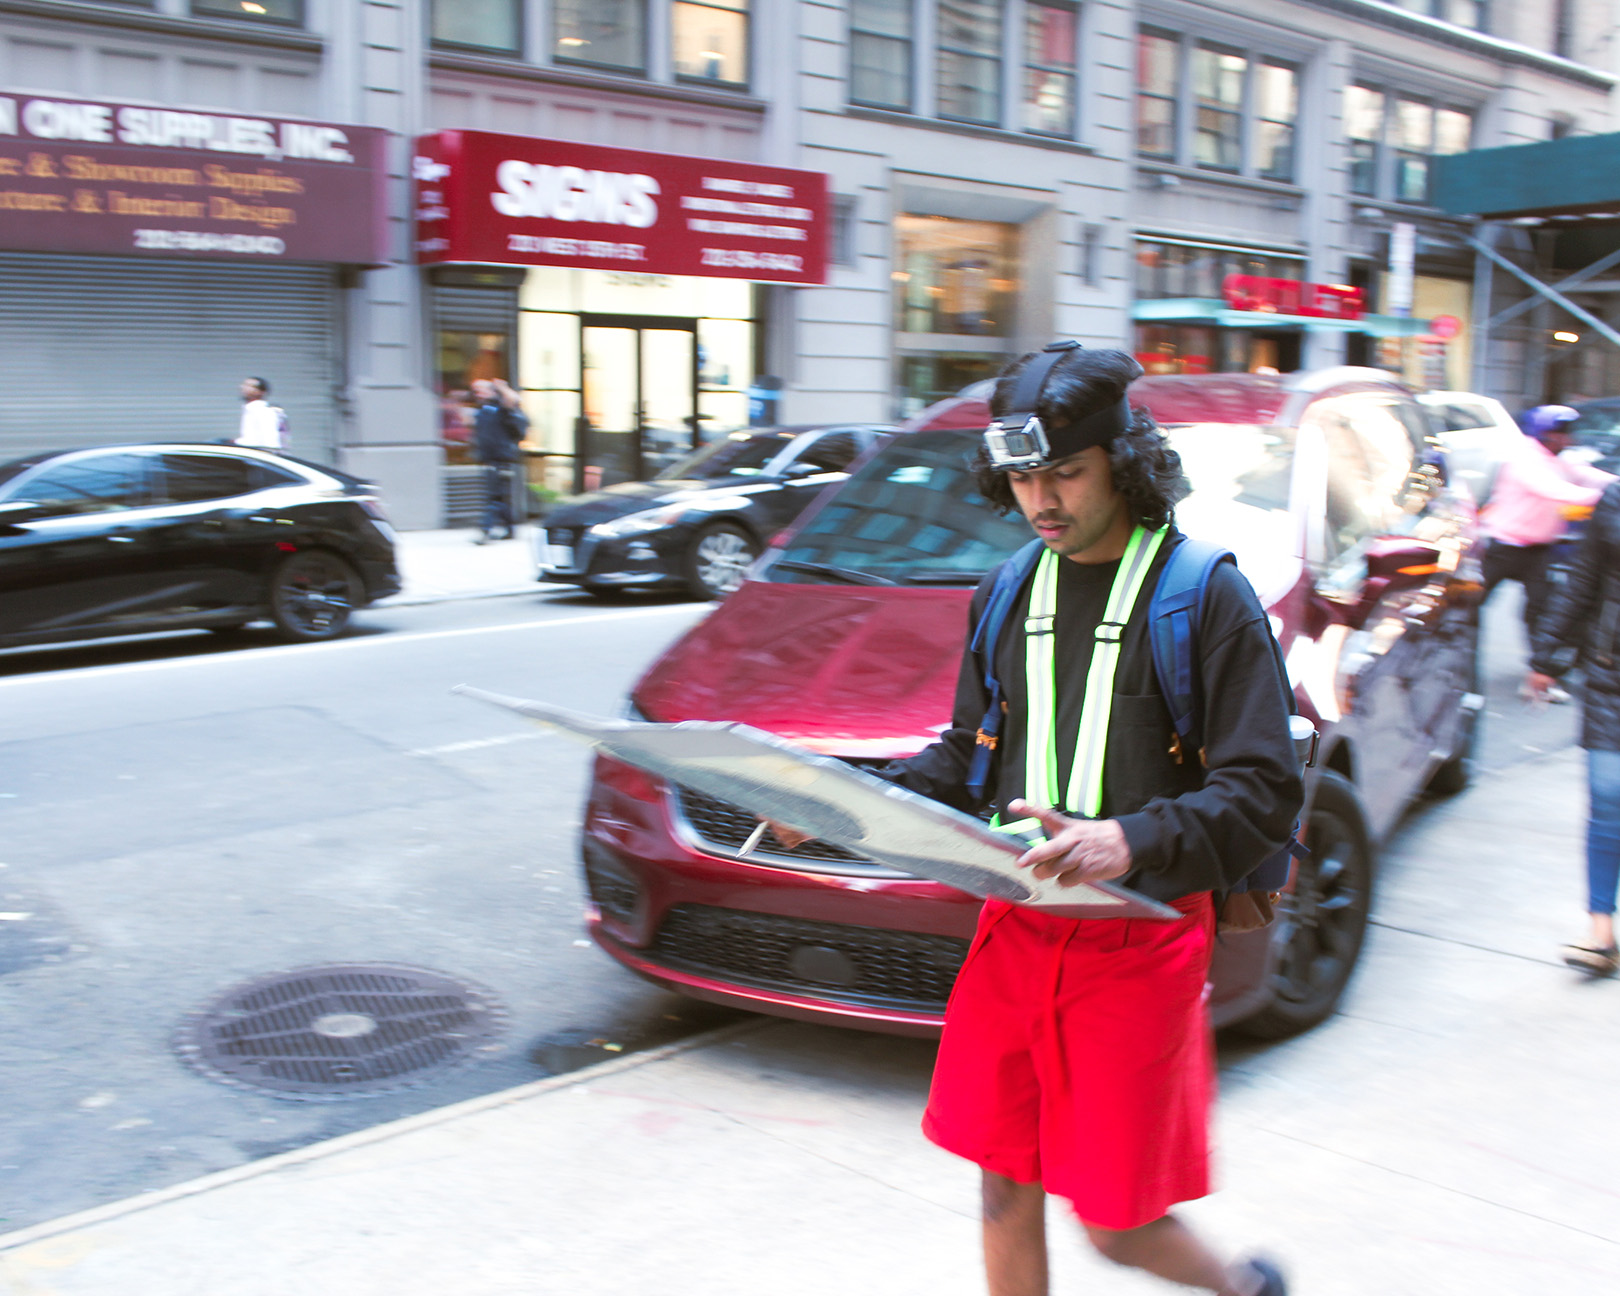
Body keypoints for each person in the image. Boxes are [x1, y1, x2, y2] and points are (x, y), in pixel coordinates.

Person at [777, 345, 1301, 1295]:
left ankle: (1245, 1289)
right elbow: (965, 758)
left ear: (1125, 461)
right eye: (1022, 478)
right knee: (1001, 1188)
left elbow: (1265, 789)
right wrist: (836, 805)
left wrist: (1128, 839)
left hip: (1139, 942)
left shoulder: (1203, 595)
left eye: (1066, 472)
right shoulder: (1008, 590)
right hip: (1016, 928)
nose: (1041, 500)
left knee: (1117, 1226)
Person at [1528, 479, 1620, 977]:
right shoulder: (1615, 501)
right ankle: (1601, 931)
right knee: (1607, 797)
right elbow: (1583, 582)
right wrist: (1545, 655)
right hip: (1610, 677)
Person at [1480, 405, 1613, 697]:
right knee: (1469, 607)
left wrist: (1614, 484)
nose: (1567, 439)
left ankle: (1540, 673)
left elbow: (1584, 474)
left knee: (1542, 613)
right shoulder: (1524, 458)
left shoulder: (1555, 458)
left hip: (1537, 551)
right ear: (1545, 434)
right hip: (1504, 547)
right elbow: (1555, 489)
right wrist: (1609, 498)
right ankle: (1453, 667)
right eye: (1560, 433)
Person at [470, 378, 528, 543]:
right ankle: (510, 529)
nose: (477, 394)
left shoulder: (502, 407)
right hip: (490, 459)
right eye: (475, 391)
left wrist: (502, 387)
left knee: (495, 497)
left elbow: (513, 399)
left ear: (492, 391)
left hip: (502, 460)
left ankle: (485, 531)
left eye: (480, 390)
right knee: (501, 497)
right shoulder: (483, 410)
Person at [235, 376, 283, 451]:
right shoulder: (250, 408)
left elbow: (270, 441)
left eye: (249, 386)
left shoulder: (263, 411)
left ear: (261, 392)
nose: (243, 388)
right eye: (244, 385)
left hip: (254, 454)